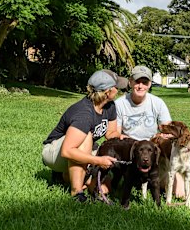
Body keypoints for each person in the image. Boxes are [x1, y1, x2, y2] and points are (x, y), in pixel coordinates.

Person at [42, 69, 128, 202]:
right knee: (86, 137)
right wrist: (98, 161)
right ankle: (77, 193)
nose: (119, 90)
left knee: (104, 188)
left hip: (81, 148)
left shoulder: (109, 106)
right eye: (116, 87)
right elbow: (67, 151)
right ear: (108, 92)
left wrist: (120, 137)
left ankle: (64, 176)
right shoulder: (84, 114)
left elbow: (110, 133)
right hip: (56, 151)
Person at [115, 65, 190, 198]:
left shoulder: (157, 103)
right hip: (132, 152)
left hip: (153, 153)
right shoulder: (119, 103)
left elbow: (168, 130)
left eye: (145, 82)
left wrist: (188, 141)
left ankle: (155, 178)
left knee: (180, 193)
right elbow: (113, 133)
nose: (140, 86)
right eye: (137, 81)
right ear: (130, 82)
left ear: (149, 84)